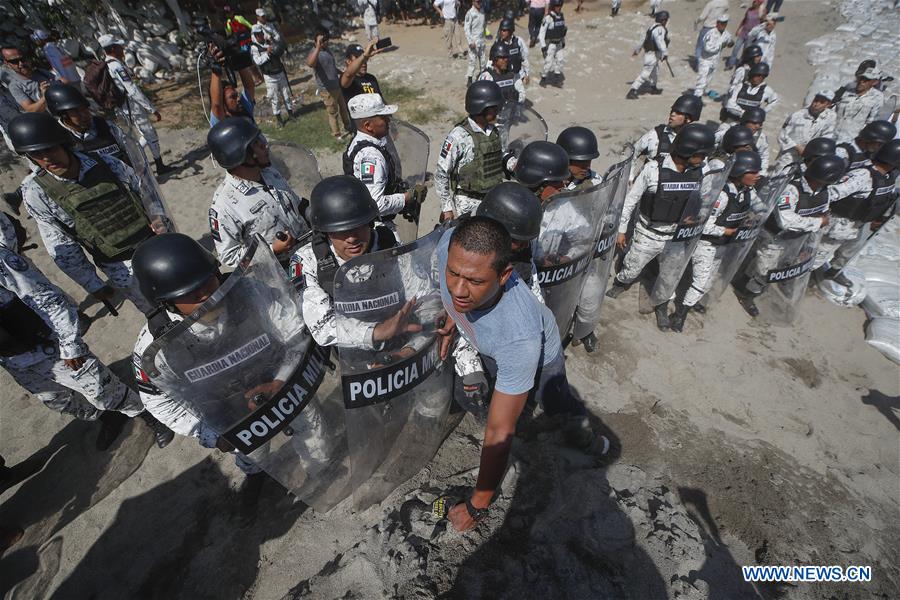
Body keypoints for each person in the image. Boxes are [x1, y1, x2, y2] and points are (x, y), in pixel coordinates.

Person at [436, 217, 610, 532]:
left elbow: (499, 431)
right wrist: (453, 321)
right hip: (491, 346)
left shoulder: (520, 337)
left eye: (474, 281)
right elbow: (455, 295)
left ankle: (589, 442)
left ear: (504, 275)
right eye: (453, 273)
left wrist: (478, 505)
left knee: (559, 408)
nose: (458, 289)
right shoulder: (450, 245)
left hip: (542, 357)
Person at [1, 210, 172, 451]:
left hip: (43, 346)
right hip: (12, 358)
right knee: (57, 400)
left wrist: (70, 345)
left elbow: (48, 300)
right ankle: (108, 417)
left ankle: (151, 417)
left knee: (102, 390)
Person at [130, 233, 285, 486]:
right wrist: (212, 435)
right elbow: (161, 403)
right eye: (190, 293)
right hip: (229, 412)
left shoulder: (249, 291)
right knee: (254, 456)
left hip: (280, 384)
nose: (205, 296)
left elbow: (290, 327)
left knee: (314, 432)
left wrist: (282, 379)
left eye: (208, 282)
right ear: (165, 301)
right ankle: (256, 475)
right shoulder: (155, 350)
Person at [10, 112, 163, 315]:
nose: (46, 157)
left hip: (154, 245)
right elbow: (61, 246)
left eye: (50, 148)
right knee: (157, 315)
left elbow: (146, 192)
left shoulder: (107, 163)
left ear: (64, 143)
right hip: (120, 267)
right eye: (37, 154)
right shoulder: (36, 193)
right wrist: (93, 284)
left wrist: (159, 220)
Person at [606, 124, 716, 331]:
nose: (703, 160)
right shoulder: (653, 170)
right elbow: (630, 201)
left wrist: (696, 218)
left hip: (675, 237)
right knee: (632, 266)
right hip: (647, 233)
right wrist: (621, 230)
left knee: (669, 275)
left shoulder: (701, 172)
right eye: (701, 155)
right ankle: (621, 283)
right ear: (687, 151)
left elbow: (705, 201)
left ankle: (661, 304)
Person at [733, 154, 845, 316]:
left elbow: (822, 214)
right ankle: (748, 295)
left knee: (775, 266)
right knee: (766, 270)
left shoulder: (823, 192)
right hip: (775, 238)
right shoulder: (791, 189)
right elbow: (785, 220)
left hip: (796, 240)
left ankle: (744, 281)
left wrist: (810, 243)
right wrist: (818, 222)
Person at [670, 150, 763, 330]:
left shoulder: (747, 192)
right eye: (753, 172)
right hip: (706, 244)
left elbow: (762, 208)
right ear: (740, 172)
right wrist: (727, 231)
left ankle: (690, 302)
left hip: (722, 246)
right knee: (701, 281)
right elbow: (703, 224)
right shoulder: (722, 195)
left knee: (708, 280)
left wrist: (756, 218)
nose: (757, 176)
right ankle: (680, 314)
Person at [207, 117, 309, 268]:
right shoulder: (224, 206)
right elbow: (229, 256)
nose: (264, 145)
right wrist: (272, 249)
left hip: (308, 252)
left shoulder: (271, 172)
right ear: (239, 154)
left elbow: (295, 203)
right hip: (279, 270)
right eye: (256, 144)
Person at [814, 139, 899, 283]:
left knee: (850, 252)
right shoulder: (863, 175)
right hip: (841, 223)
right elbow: (831, 193)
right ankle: (796, 280)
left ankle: (834, 271)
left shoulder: (889, 177)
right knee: (820, 254)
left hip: (861, 223)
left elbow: (885, 199)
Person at [343, 93, 425, 237]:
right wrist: (407, 197)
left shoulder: (361, 142)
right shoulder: (370, 156)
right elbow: (376, 204)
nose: (388, 120)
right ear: (368, 125)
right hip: (377, 230)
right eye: (383, 117)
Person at [556, 126, 606, 351]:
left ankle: (585, 330)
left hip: (587, 252)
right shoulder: (552, 183)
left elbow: (605, 208)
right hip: (559, 257)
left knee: (590, 299)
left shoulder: (595, 182)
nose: (587, 167)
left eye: (589, 162)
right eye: (581, 162)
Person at [98, 35, 173, 176]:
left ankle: (135, 159)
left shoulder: (106, 64)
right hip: (132, 107)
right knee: (150, 133)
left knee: (143, 134)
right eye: (120, 46)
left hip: (122, 107)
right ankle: (157, 165)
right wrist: (152, 109)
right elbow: (132, 89)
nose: (123, 49)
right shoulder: (117, 66)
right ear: (113, 48)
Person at [435, 80, 506, 220]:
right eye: (494, 107)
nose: (498, 110)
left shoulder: (493, 131)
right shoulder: (458, 136)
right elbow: (441, 173)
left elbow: (498, 156)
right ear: (481, 108)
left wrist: (512, 164)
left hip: (492, 197)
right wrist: (447, 208)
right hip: (467, 203)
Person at [44, 83, 131, 166]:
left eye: (84, 109)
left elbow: (130, 150)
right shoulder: (60, 140)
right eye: (76, 112)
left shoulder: (105, 125)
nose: (84, 115)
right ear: (63, 115)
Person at [631, 95, 704, 181]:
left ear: (688, 119)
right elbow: (631, 153)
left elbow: (701, 168)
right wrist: (630, 177)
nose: (672, 114)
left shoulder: (695, 141)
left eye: (678, 112)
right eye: (672, 111)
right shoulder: (655, 135)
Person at [306, 27, 351, 140]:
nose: (325, 42)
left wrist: (342, 73)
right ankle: (337, 134)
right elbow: (310, 64)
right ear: (315, 41)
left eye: (326, 40)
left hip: (336, 85)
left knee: (343, 108)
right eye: (322, 40)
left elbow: (331, 67)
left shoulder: (327, 50)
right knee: (333, 113)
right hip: (326, 90)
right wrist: (317, 47)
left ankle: (348, 126)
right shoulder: (314, 52)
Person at [250, 24, 294, 128]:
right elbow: (258, 61)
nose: (260, 36)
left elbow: (279, 48)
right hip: (270, 76)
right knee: (275, 98)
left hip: (279, 71)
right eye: (258, 35)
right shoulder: (254, 47)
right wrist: (267, 53)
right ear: (255, 36)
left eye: (261, 33)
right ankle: (279, 119)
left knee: (286, 94)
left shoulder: (269, 41)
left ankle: (291, 114)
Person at [207, 40, 257, 128]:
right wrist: (216, 66)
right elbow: (217, 105)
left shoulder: (244, 111)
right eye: (232, 97)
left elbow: (249, 86)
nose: (238, 99)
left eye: (236, 95)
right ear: (223, 104)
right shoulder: (220, 123)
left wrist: (236, 56)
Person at [776, 91, 836, 161]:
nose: (816, 104)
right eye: (816, 100)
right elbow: (782, 135)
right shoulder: (797, 115)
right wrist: (797, 147)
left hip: (809, 159)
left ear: (828, 105)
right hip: (789, 155)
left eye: (822, 102)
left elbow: (827, 138)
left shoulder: (828, 120)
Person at [833, 66, 887, 144]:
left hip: (852, 141)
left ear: (875, 82)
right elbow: (833, 110)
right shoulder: (846, 92)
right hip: (832, 136)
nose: (862, 81)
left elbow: (873, 121)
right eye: (861, 78)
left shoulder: (877, 97)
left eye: (867, 80)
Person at [627, 10, 669, 100]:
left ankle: (653, 88)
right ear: (663, 20)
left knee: (655, 71)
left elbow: (643, 40)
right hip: (652, 55)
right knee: (645, 74)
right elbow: (660, 42)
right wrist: (665, 53)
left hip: (652, 54)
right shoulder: (659, 29)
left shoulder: (651, 27)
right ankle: (632, 90)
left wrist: (637, 50)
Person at [1, 44, 54, 113]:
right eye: (14, 61)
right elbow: (31, 110)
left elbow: (64, 82)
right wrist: (44, 97)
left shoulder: (41, 72)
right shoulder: (15, 86)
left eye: (22, 59)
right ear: (7, 64)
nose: (21, 64)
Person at [694, 15, 733, 98]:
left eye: (725, 23)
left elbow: (729, 40)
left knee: (709, 79)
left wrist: (730, 43)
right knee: (702, 80)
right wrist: (720, 45)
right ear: (717, 23)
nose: (723, 25)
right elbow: (707, 48)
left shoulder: (726, 33)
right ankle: (697, 97)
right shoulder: (711, 34)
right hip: (705, 60)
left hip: (715, 60)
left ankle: (703, 92)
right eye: (721, 23)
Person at [726, 0, 765, 70]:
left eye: (755, 2)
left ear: (759, 4)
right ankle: (730, 64)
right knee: (736, 48)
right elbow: (744, 20)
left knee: (745, 52)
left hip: (751, 36)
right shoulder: (749, 10)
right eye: (754, 1)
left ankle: (740, 65)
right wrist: (738, 29)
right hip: (743, 32)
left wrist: (763, 13)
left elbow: (763, 22)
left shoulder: (760, 12)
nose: (753, 3)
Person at [693, 0, 729, 67]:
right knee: (715, 46)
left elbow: (702, 17)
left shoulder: (711, 4)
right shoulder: (725, 2)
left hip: (708, 27)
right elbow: (725, 11)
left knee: (700, 46)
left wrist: (696, 21)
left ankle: (698, 65)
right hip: (718, 28)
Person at [496, 17, 530, 84]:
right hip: (504, 77)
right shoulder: (498, 45)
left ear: (510, 31)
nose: (502, 32)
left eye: (504, 30)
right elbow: (492, 61)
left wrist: (527, 73)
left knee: (521, 94)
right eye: (501, 30)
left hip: (517, 76)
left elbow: (524, 58)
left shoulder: (518, 41)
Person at [464, 0, 487, 87]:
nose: (479, 3)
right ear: (473, 2)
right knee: (472, 61)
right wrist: (470, 42)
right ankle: (469, 80)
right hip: (474, 41)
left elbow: (483, 25)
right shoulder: (470, 13)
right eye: (477, 1)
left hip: (481, 40)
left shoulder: (482, 11)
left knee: (483, 60)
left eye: (480, 1)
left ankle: (483, 77)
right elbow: (466, 29)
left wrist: (485, 34)